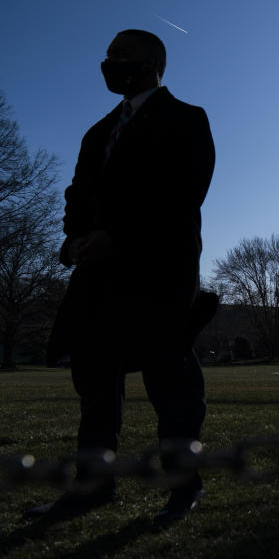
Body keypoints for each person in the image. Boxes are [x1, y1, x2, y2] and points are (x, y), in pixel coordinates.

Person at [26, 29, 216, 524]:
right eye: (108, 55)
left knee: (170, 383)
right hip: (99, 279)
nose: (110, 63)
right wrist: (74, 242)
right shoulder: (98, 132)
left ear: (154, 62)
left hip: (157, 272)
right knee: (94, 383)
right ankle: (92, 488)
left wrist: (119, 237)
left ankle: (182, 486)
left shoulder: (186, 119)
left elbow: (183, 193)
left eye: (122, 55)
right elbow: (77, 197)